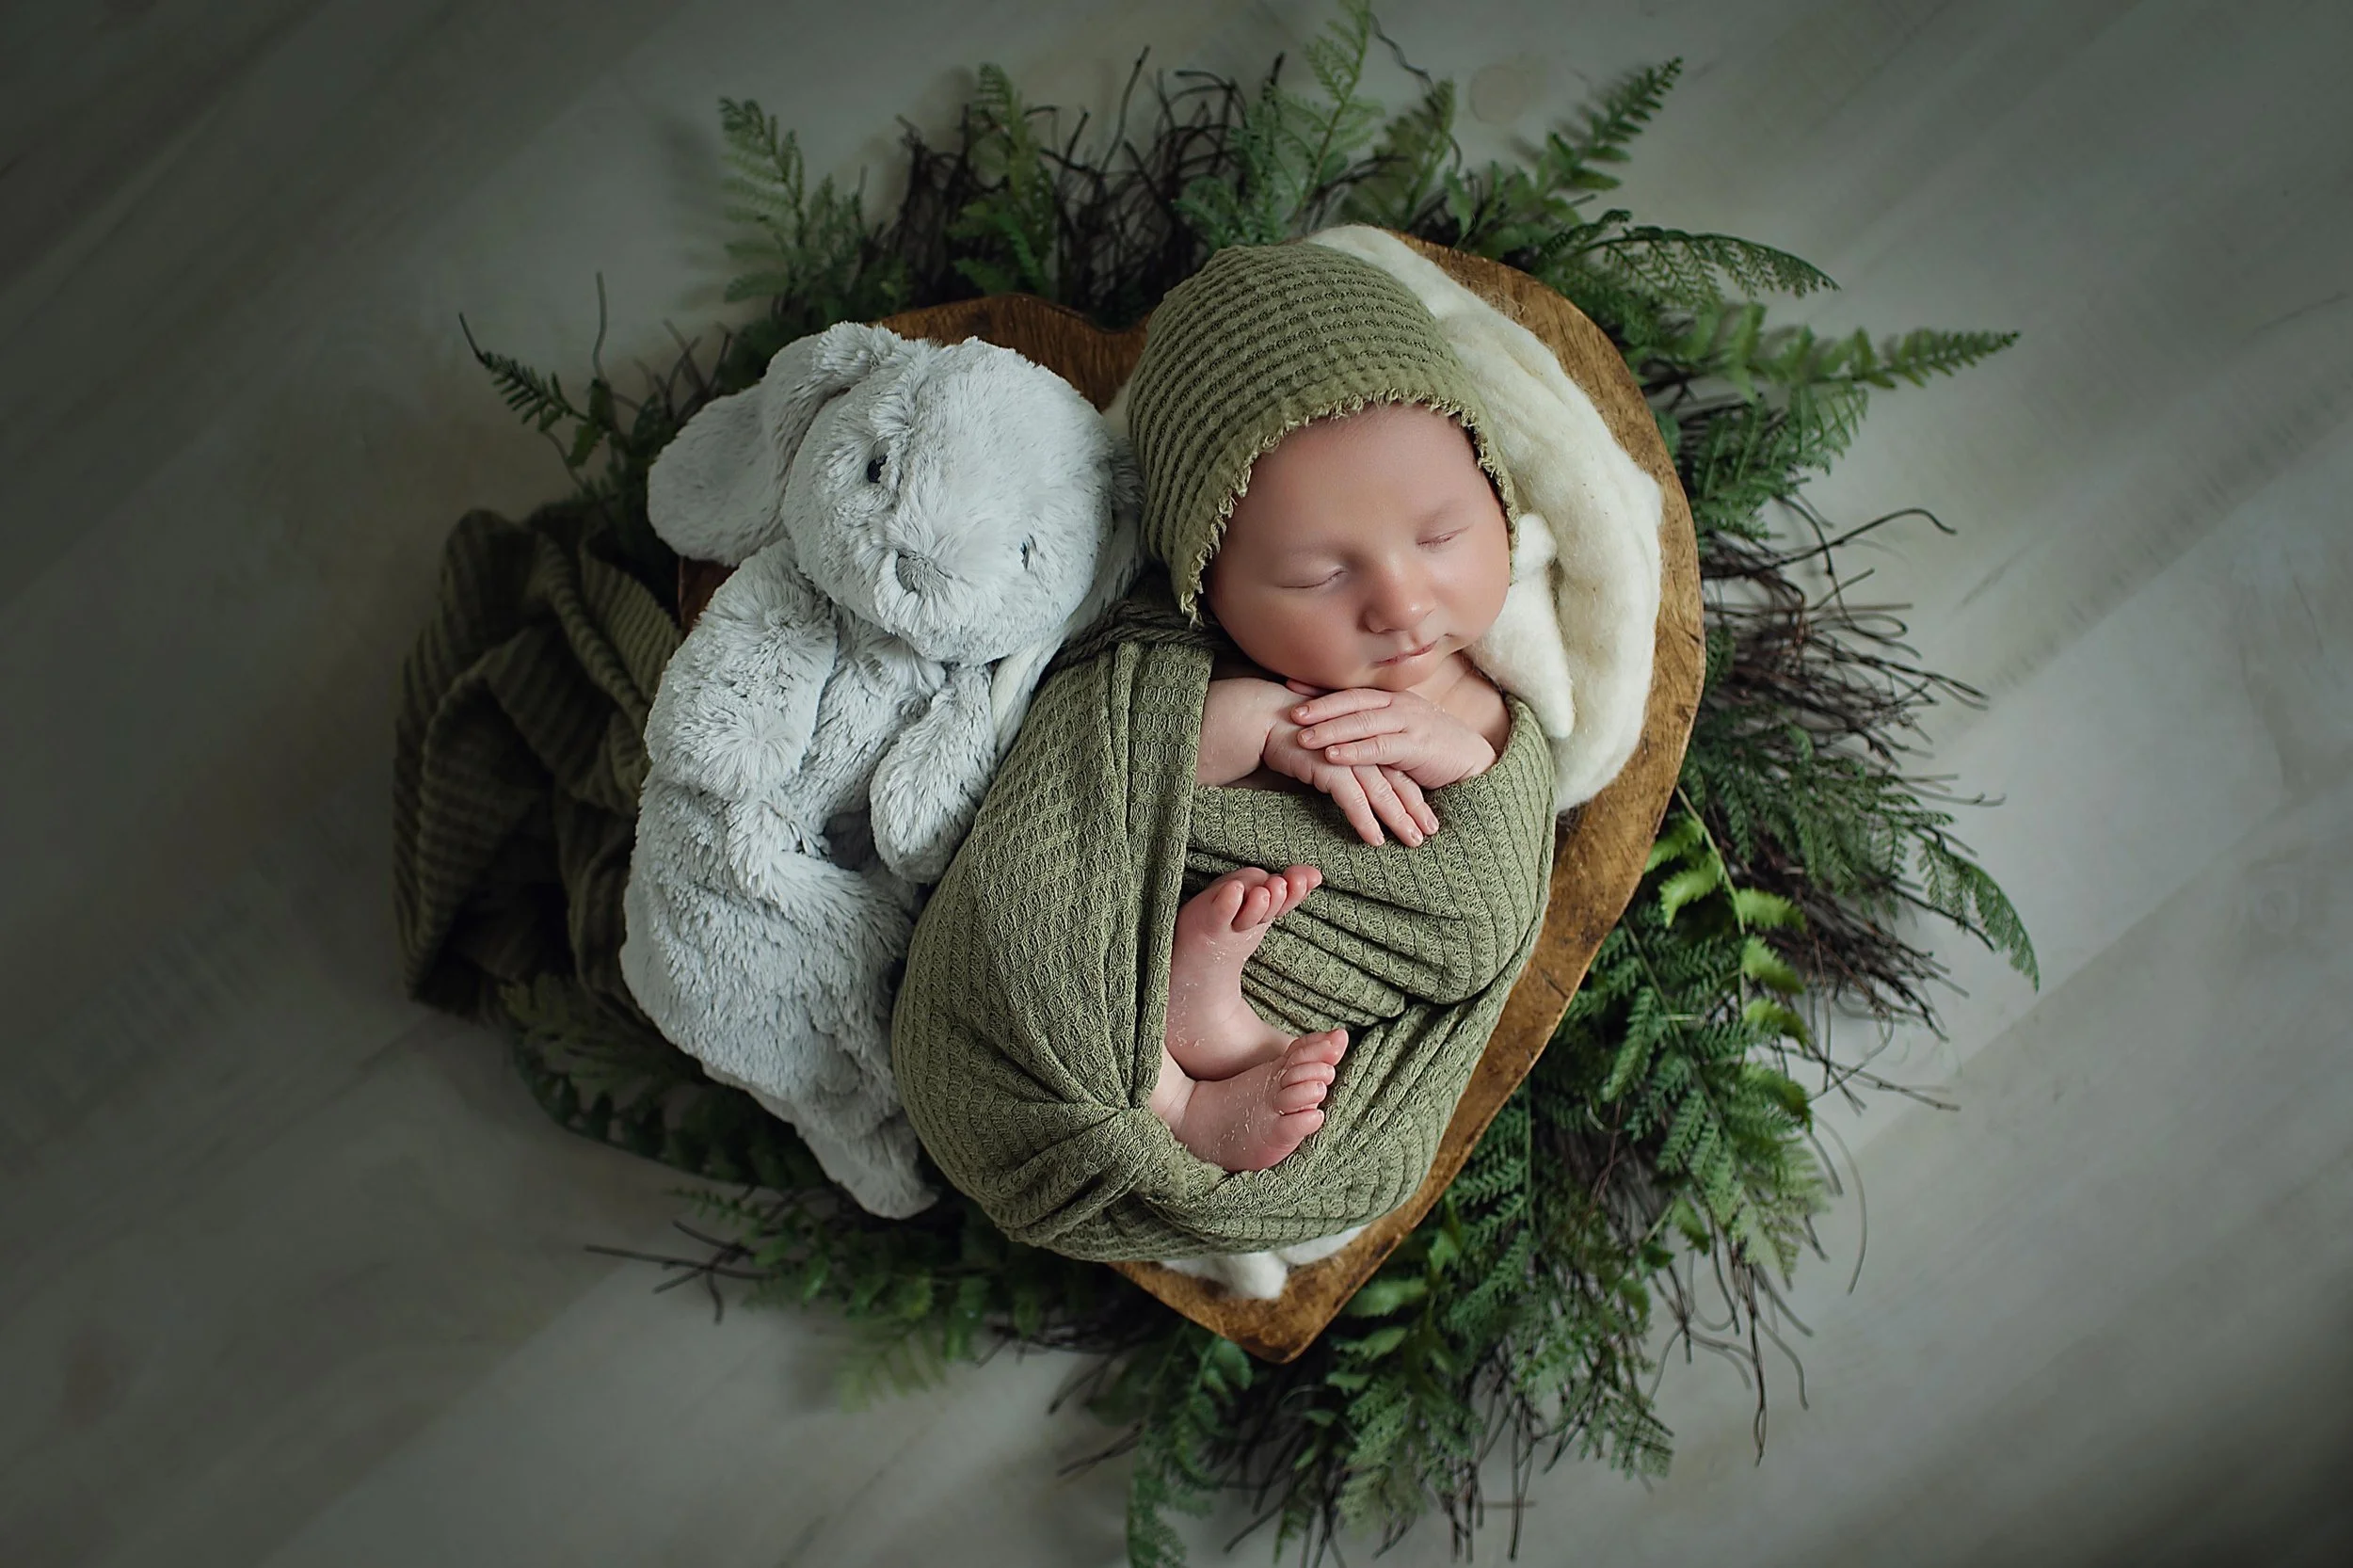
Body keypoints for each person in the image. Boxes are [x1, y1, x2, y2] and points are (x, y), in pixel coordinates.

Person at [1128, 247, 1526, 1174]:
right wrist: (1259, 724)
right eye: (1319, 575)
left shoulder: (1496, 687)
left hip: (1340, 993)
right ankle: (1171, 1082)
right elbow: (1118, 780)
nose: (1401, 604)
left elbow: (1492, 892)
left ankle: (1213, 1053)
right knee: (1056, 947)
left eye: (1441, 536)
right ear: (1208, 590)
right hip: (1154, 937)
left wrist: (1468, 760)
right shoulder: (1193, 664)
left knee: (1334, 1077)